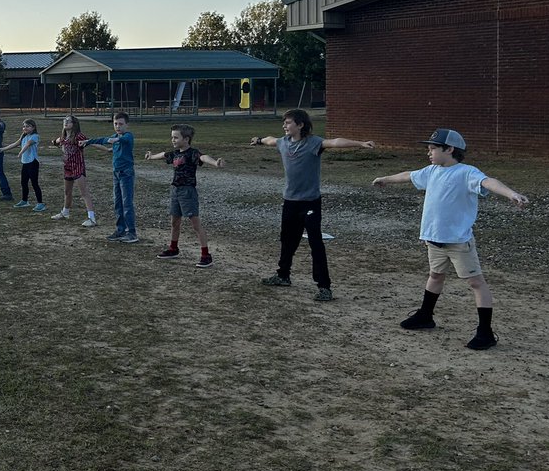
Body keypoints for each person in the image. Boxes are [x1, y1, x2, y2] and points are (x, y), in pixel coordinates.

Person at [372, 128, 528, 350]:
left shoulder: (466, 172)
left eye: (433, 148)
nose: (429, 153)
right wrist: (385, 179)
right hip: (434, 239)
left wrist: (511, 194)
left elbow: (488, 182)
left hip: (458, 241)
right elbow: (408, 174)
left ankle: (485, 332)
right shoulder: (432, 171)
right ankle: (426, 316)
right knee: (435, 276)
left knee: (476, 282)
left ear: (450, 149)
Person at [249, 109, 375, 301]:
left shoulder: (313, 143)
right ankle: (283, 275)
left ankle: (324, 287)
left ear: (300, 125)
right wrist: (258, 140)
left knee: (316, 243)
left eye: (288, 123)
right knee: (287, 240)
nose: (285, 126)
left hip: (310, 203)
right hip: (290, 201)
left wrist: (360, 143)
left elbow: (335, 142)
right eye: (284, 123)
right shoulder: (283, 143)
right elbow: (269, 139)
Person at [143, 124, 225, 267]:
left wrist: (215, 163)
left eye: (176, 137)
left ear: (186, 139)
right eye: (172, 137)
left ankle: (206, 255)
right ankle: (173, 248)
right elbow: (163, 155)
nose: (173, 140)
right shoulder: (175, 153)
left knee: (195, 224)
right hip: (175, 190)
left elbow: (204, 157)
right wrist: (151, 157)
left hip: (188, 192)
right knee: (174, 222)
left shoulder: (192, 153)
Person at [80, 111, 138, 243]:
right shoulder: (115, 137)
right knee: (118, 203)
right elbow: (105, 141)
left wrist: (113, 140)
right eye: (115, 123)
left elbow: (116, 140)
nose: (118, 126)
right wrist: (88, 142)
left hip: (126, 174)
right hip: (116, 174)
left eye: (121, 124)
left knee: (127, 203)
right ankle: (120, 230)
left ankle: (132, 233)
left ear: (127, 125)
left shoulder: (128, 136)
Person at [50, 114, 97, 227]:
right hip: (67, 168)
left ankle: (92, 218)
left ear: (74, 124)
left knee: (84, 192)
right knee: (67, 192)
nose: (65, 123)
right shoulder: (63, 137)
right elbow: (55, 142)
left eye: (68, 121)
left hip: (78, 167)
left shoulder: (78, 136)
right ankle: (65, 212)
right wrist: (55, 142)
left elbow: (91, 142)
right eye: (64, 121)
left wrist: (107, 149)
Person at [0, 118, 45, 211]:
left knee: (34, 183)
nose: (25, 128)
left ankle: (40, 204)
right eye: (24, 126)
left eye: (28, 126)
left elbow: (28, 144)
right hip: (25, 163)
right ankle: (24, 201)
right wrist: (2, 149)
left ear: (33, 127)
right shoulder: (23, 136)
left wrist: (20, 152)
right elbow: (15, 144)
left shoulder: (35, 136)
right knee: (23, 182)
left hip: (33, 162)